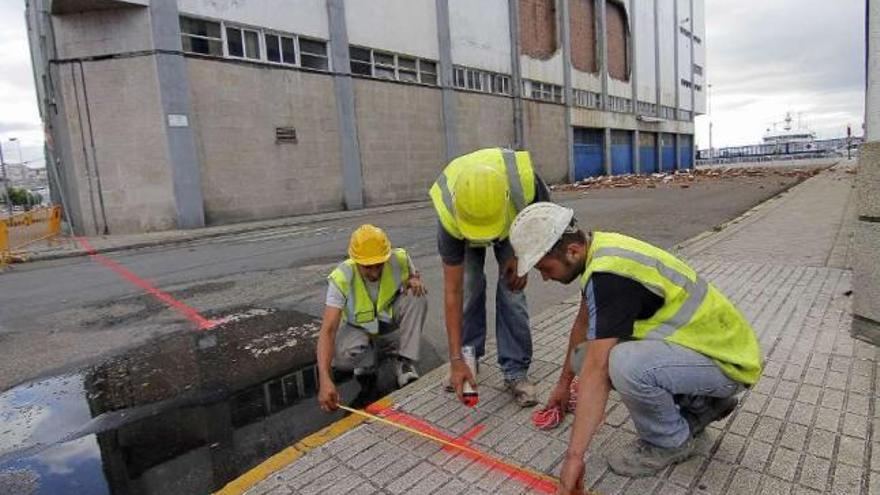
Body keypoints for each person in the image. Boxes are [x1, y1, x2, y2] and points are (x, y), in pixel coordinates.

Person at [508, 203, 763, 494]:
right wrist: (563, 386)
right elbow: (582, 325)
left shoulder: (610, 278)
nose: (544, 277)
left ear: (573, 251)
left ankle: (670, 442)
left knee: (621, 363)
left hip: (729, 362)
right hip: (705, 351)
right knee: (583, 356)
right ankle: (704, 405)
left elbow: (598, 369)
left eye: (544, 268)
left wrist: (573, 459)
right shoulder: (600, 250)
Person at [429, 147, 551, 407]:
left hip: (511, 224)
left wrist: (523, 259)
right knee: (469, 288)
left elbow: (544, 225)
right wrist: (455, 360)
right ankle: (467, 359)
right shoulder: (450, 214)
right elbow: (453, 293)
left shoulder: (525, 184)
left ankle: (515, 371)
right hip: (466, 223)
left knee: (512, 291)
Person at [317, 224, 427, 412]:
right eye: (368, 267)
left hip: (387, 319)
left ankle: (405, 362)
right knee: (340, 357)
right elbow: (327, 331)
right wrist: (325, 380)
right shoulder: (342, 277)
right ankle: (366, 363)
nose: (375, 273)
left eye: (379, 265)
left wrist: (414, 280)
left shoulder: (399, 258)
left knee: (417, 297)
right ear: (355, 260)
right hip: (360, 328)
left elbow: (412, 275)